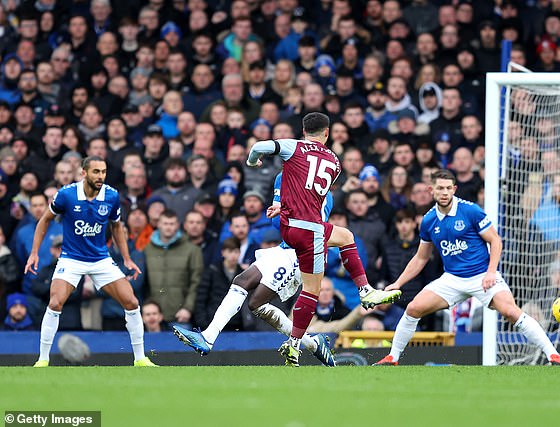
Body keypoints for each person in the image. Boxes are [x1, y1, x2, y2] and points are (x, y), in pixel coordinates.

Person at [245, 112, 402, 366]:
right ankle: (361, 295)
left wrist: (254, 162)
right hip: (311, 230)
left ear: (303, 130)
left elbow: (260, 147)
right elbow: (312, 193)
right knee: (312, 290)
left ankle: (363, 293)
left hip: (290, 227)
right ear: (327, 133)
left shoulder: (293, 146)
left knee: (345, 236)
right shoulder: (334, 162)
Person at [373, 170, 560, 366]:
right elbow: (421, 258)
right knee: (414, 308)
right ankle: (393, 357)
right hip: (452, 278)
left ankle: (553, 355)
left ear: (454, 189)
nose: (445, 192)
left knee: (510, 311)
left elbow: (495, 241)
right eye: (440, 188)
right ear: (431, 190)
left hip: (482, 274)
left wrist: (491, 272)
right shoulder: (429, 220)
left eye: (449, 188)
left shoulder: (471, 211)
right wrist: (398, 283)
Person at [173, 172, 337, 367]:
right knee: (242, 282)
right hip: (284, 249)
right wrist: (281, 211)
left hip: (303, 252)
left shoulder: (321, 191)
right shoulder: (282, 178)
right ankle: (208, 337)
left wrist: (284, 210)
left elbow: (309, 227)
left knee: (256, 303)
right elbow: (276, 222)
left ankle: (312, 343)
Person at [24, 156, 156, 367]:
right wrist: (34, 252)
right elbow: (45, 220)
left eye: (103, 172)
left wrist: (127, 258)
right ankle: (43, 359)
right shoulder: (67, 194)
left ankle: (140, 359)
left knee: (131, 302)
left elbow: (116, 227)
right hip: (71, 258)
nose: (101, 176)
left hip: (100, 259)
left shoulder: (111, 196)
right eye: (96, 172)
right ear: (84, 173)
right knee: (55, 302)